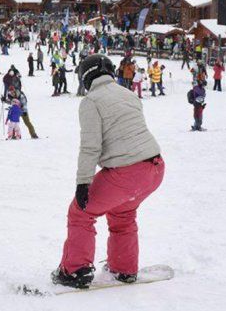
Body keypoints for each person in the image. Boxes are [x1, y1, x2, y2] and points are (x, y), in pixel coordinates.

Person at [53, 54, 164, 289]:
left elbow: (90, 146)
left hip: (126, 171)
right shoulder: (128, 94)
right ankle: (123, 268)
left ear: (85, 76)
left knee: (81, 212)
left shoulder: (92, 101)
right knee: (123, 213)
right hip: (154, 168)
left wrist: (83, 183)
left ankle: (75, 271)